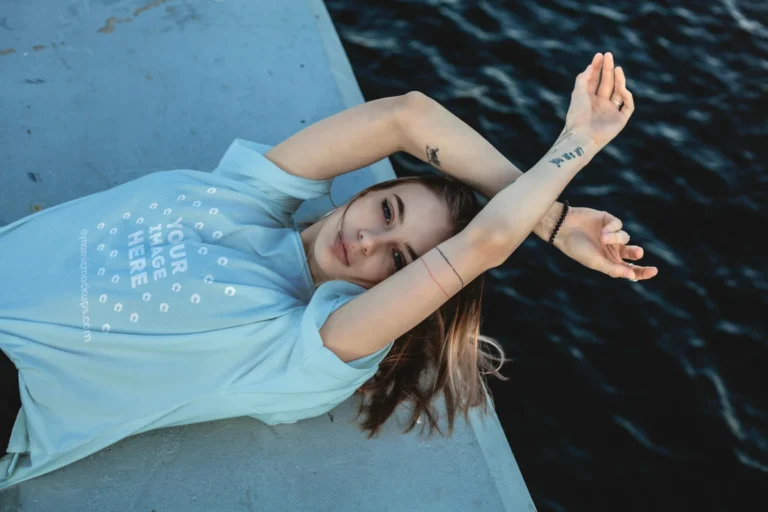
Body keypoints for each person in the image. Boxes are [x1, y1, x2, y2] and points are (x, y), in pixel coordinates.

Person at [0, 51, 656, 488]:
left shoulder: (303, 348)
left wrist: (577, 146)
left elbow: (483, 244)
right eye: (388, 210)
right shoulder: (244, 193)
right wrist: (557, 217)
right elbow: (405, 117)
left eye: (399, 261)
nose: (369, 239)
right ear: (365, 192)